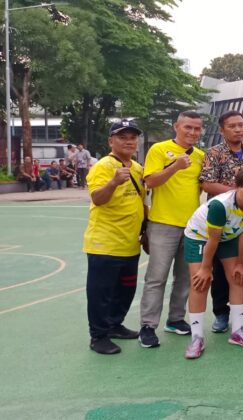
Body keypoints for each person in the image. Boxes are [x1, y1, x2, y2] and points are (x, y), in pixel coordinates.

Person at [182, 167, 243, 359]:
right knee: (200, 282)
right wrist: (206, 268)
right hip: (200, 236)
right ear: (236, 186)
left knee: (238, 278)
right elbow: (212, 240)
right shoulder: (221, 205)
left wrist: (240, 263)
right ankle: (196, 338)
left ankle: (238, 331)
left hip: (229, 236)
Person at [139, 111, 205, 348]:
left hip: (192, 226)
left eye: (197, 129)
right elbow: (150, 181)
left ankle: (175, 319)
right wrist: (175, 166)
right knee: (156, 277)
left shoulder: (200, 156)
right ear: (176, 126)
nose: (192, 133)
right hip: (162, 223)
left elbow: (200, 187)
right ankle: (148, 325)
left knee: (185, 277)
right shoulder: (159, 150)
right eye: (188, 127)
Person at [84, 120, 146, 354]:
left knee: (125, 290)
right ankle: (98, 336)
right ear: (111, 141)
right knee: (101, 293)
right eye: (122, 137)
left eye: (132, 137)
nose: (129, 141)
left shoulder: (137, 168)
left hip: (130, 243)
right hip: (105, 243)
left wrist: (146, 230)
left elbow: (141, 200)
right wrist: (113, 182)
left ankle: (114, 324)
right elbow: (98, 198)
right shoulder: (102, 166)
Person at [199, 110, 243, 333]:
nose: (238, 129)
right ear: (221, 129)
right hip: (222, 221)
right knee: (219, 270)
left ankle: (242, 310)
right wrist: (236, 193)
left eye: (241, 125)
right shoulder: (214, 153)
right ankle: (221, 313)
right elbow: (206, 184)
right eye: (232, 125)